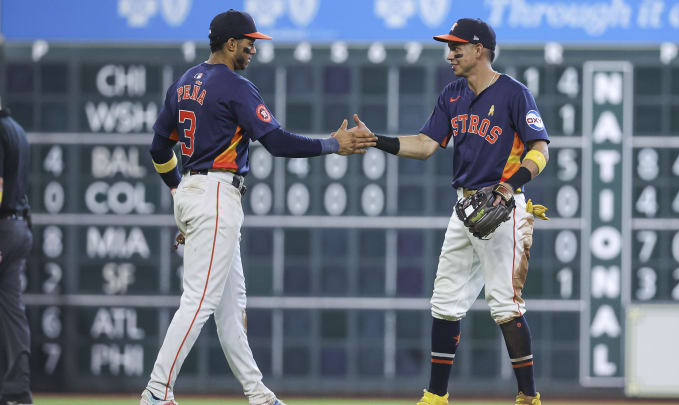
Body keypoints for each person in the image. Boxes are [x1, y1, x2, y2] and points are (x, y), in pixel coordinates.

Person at [140, 9, 376, 405]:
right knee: (199, 301)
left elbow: (158, 148)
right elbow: (278, 142)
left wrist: (177, 190)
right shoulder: (235, 86)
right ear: (230, 43)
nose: (253, 49)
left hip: (194, 190)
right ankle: (157, 392)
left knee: (231, 309)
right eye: (249, 43)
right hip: (216, 195)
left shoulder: (183, 83)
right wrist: (334, 144)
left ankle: (258, 394)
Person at [359, 18, 550, 405]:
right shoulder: (452, 95)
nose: (450, 54)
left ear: (479, 49)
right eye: (450, 47)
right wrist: (376, 140)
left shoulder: (514, 93)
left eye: (456, 47)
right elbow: (427, 144)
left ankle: (529, 398)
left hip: (502, 206)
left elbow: (540, 149)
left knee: (504, 305)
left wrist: (510, 184)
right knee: (444, 302)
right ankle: (435, 397)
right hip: (464, 207)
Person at [0, 102, 33, 405]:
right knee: (12, 313)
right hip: (19, 226)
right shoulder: (18, 130)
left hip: (3, 226)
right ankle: (16, 390)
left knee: (10, 313)